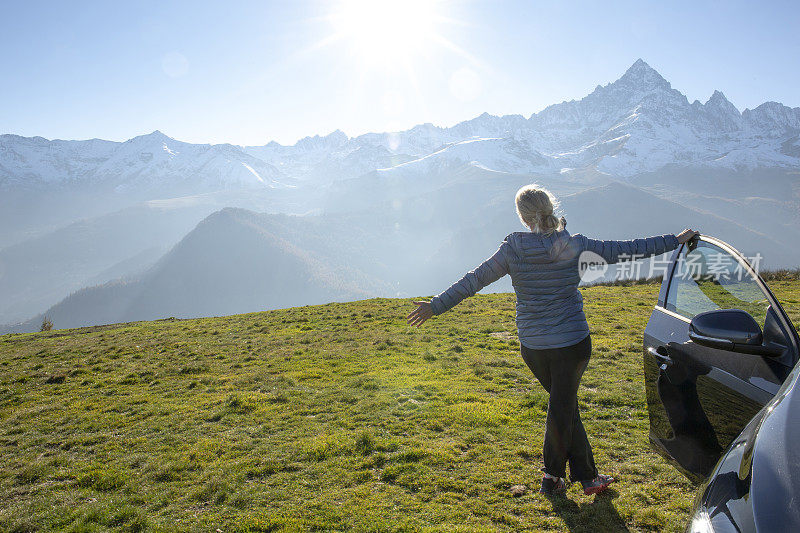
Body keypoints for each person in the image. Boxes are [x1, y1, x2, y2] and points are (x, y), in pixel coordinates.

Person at [406, 184, 698, 496]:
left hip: (534, 347)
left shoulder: (512, 250)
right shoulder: (573, 244)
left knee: (564, 406)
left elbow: (473, 280)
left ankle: (583, 477)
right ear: (550, 208)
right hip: (572, 344)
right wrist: (674, 240)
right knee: (563, 407)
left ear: (522, 217)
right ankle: (555, 476)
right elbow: (629, 249)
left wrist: (435, 306)